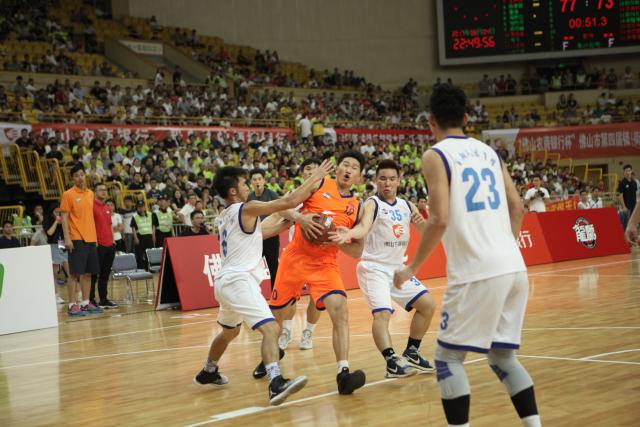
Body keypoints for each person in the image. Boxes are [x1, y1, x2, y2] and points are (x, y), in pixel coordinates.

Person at [394, 84, 540, 427]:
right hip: (513, 266)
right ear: (466, 117)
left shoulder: (435, 155)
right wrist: (504, 248)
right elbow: (517, 206)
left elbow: (440, 219)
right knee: (502, 357)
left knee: (447, 360)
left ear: (431, 121)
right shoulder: (490, 152)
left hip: (477, 270)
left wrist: (411, 267)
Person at [193, 160, 331, 405]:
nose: (248, 187)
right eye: (245, 183)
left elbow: (263, 233)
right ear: (233, 191)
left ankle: (209, 370)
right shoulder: (246, 207)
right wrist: (314, 177)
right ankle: (275, 383)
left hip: (225, 282)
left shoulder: (226, 216)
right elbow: (286, 203)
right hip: (238, 281)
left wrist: (295, 221)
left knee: (230, 332)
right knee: (270, 329)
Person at [260, 151, 367, 396]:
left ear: (359, 177)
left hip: (324, 263)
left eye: (354, 167)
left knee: (340, 309)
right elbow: (284, 203)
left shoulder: (357, 206)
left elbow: (357, 250)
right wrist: (301, 218)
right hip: (295, 257)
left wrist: (337, 239)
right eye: (345, 165)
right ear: (337, 169)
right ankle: (269, 360)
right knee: (275, 317)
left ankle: (343, 373)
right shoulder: (319, 183)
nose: (348, 169)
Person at [330, 159, 437, 378]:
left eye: (391, 179)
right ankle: (391, 361)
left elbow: (427, 232)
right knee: (382, 314)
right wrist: (349, 234)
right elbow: (363, 227)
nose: (387, 183)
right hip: (374, 268)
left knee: (427, 305)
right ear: (376, 181)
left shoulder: (407, 205)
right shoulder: (372, 203)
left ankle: (412, 351)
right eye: (382, 179)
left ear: (399, 180)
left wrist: (432, 219)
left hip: (398, 268)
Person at [278, 158, 324, 351]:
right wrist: (298, 217)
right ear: (302, 174)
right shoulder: (294, 194)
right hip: (296, 253)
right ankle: (286, 331)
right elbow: (281, 209)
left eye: (315, 168)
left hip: (320, 255)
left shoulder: (328, 195)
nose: (312, 171)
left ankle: (308, 333)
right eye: (308, 169)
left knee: (317, 297)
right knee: (289, 296)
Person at [60, 163, 104, 316]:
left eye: (81, 174)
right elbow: (64, 217)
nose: (79, 178)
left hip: (91, 238)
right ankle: (72, 304)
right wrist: (67, 238)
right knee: (74, 273)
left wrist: (96, 238)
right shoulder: (68, 194)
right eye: (76, 175)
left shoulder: (90, 193)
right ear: (72, 178)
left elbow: (90, 217)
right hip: (76, 238)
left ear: (85, 176)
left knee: (88, 273)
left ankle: (85, 303)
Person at [248, 169, 281, 285]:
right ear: (251, 182)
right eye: (254, 179)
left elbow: (281, 211)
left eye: (259, 179)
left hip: (271, 237)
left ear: (264, 180)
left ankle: (275, 298)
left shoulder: (272, 195)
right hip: (255, 239)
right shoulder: (249, 197)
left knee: (273, 268)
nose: (257, 182)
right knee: (252, 268)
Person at [90, 184, 118, 309]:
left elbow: (109, 225)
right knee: (94, 274)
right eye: (101, 190)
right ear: (95, 192)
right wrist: (94, 241)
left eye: (105, 190)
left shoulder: (107, 207)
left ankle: (103, 299)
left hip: (109, 245)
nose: (104, 192)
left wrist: (113, 241)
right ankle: (90, 299)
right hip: (98, 245)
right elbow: (89, 225)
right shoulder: (91, 206)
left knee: (105, 274)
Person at [43, 203, 68, 304]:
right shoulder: (47, 221)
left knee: (68, 269)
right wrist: (56, 222)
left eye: (59, 212)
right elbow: (49, 233)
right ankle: (55, 295)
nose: (58, 213)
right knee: (55, 272)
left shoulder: (63, 220)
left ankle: (78, 293)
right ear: (52, 212)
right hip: (53, 245)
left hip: (61, 244)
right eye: (56, 212)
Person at [131, 200, 156, 269]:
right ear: (137, 208)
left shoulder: (150, 214)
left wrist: (153, 235)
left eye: (142, 207)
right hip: (140, 237)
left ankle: (149, 268)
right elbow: (133, 228)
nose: (141, 208)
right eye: (139, 207)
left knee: (149, 253)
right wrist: (135, 238)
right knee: (139, 254)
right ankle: (141, 268)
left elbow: (153, 225)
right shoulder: (135, 216)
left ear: (145, 207)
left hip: (149, 236)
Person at [617, 164, 638, 229]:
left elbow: (636, 194)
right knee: (626, 224)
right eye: (626, 171)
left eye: (629, 170)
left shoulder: (634, 182)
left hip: (634, 206)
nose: (628, 172)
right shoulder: (622, 182)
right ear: (624, 172)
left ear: (631, 171)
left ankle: (633, 237)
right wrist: (624, 207)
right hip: (626, 207)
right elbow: (620, 196)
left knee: (634, 223)